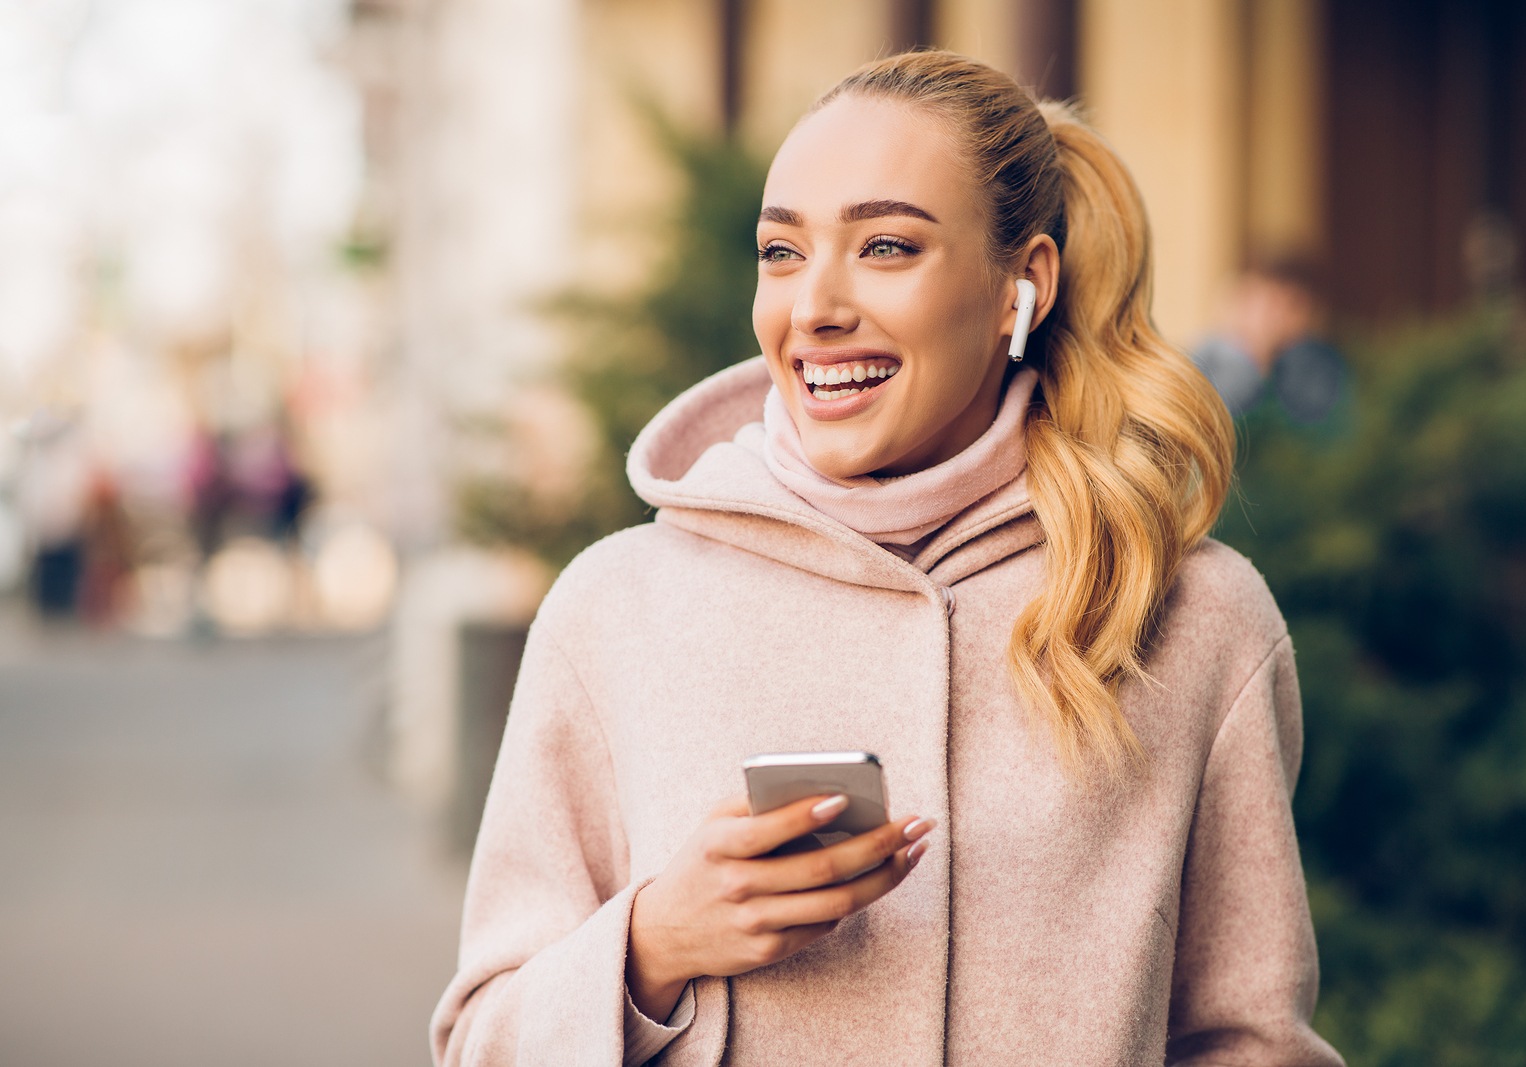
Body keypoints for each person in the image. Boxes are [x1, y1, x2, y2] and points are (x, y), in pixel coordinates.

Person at [431, 51, 1343, 1067]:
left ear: (1020, 287)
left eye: (887, 246)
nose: (814, 305)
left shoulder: (1189, 612)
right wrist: (654, 942)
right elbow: (482, 1040)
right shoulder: (615, 606)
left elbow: (1250, 1042)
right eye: (781, 252)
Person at [1189, 254, 1349, 425]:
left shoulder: (1311, 360)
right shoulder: (1216, 353)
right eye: (1270, 304)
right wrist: (1255, 354)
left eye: (1291, 306)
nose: (1277, 318)